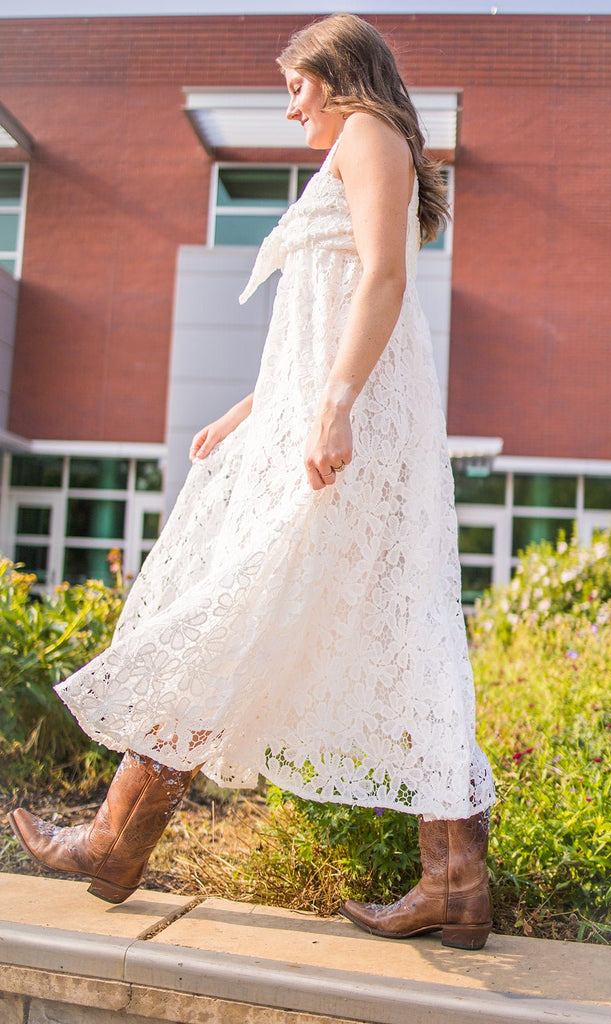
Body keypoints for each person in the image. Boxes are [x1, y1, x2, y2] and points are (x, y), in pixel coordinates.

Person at [8, 13, 495, 949]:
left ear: (342, 78)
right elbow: (316, 320)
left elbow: (383, 282)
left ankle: (113, 844)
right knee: (372, 626)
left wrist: (337, 405)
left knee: (236, 612)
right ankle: (456, 884)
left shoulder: (370, 135)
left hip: (346, 438)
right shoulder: (359, 146)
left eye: (298, 85)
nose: (289, 104)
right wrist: (253, 410)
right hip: (316, 425)